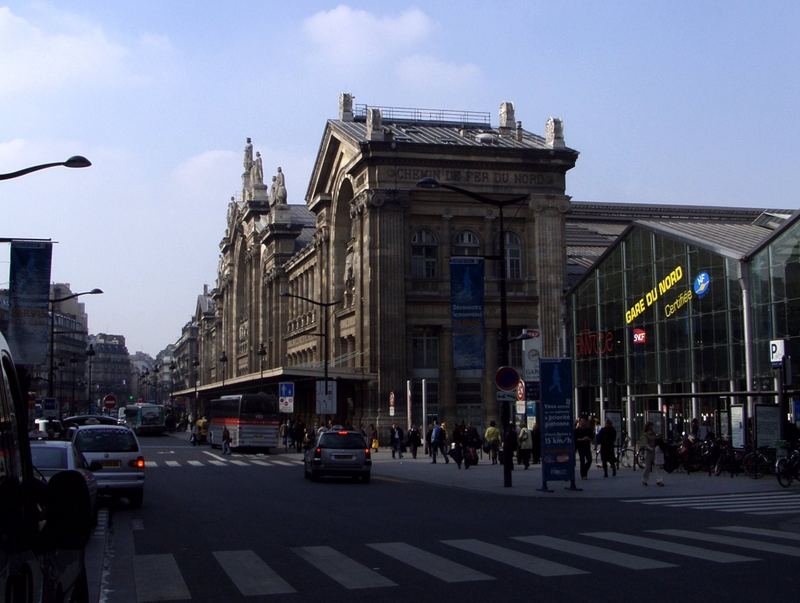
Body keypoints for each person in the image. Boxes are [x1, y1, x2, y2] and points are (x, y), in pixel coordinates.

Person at [640, 421, 664, 486]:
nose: (652, 427)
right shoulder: (645, 434)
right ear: (648, 427)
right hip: (648, 452)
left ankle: (659, 480)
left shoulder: (653, 433)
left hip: (654, 451)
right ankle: (644, 480)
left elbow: (655, 440)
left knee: (656, 466)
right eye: (651, 426)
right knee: (647, 467)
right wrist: (649, 447)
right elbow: (645, 443)